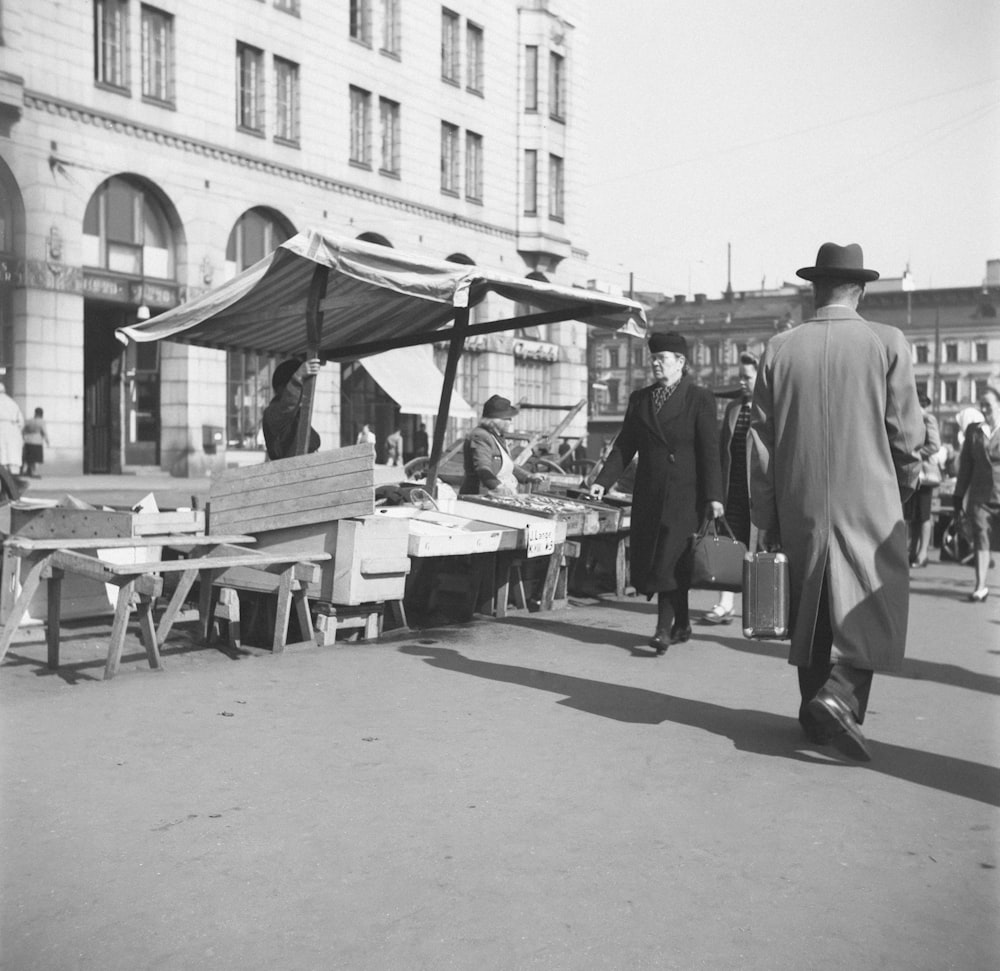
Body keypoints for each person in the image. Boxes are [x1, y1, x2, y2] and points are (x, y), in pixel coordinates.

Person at [749, 242, 924, 761]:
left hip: (799, 496)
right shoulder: (886, 341)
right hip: (870, 494)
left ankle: (815, 714)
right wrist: (906, 483)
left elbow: (760, 444)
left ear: (814, 288)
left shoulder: (779, 348)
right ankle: (840, 696)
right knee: (875, 601)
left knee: (811, 606)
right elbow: (906, 434)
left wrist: (767, 513)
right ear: (861, 289)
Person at [589, 332, 724, 654]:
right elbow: (625, 444)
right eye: (653, 358)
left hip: (685, 496)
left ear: (681, 362)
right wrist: (602, 480)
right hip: (648, 493)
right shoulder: (641, 399)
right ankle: (682, 623)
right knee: (665, 562)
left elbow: (710, 451)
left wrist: (714, 496)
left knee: (668, 561)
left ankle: (662, 629)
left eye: (662, 358)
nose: (655, 363)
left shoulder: (699, 398)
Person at [705, 352, 759, 624]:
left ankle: (760, 607)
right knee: (730, 545)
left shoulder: (770, 408)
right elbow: (720, 450)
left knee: (758, 549)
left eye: (747, 377)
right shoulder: (733, 408)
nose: (742, 382)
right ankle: (725, 604)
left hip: (759, 492)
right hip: (733, 489)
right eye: (740, 376)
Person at [952, 386, 1000, 602]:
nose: (983, 408)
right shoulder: (973, 430)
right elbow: (966, 468)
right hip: (980, 497)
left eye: (987, 404)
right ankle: (980, 586)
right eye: (981, 404)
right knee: (981, 539)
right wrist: (958, 495)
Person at [460, 395, 544, 496]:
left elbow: (508, 466)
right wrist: (498, 487)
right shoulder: (481, 436)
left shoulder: (497, 437)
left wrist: (529, 477)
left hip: (499, 494)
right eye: (508, 418)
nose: (510, 422)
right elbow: (482, 469)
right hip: (480, 495)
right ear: (497, 420)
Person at [905, 393, 942, 568]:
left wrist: (916, 454)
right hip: (913, 472)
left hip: (925, 474)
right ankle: (912, 551)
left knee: (924, 515)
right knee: (913, 515)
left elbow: (935, 445)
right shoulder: (911, 418)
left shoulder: (928, 419)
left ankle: (923, 553)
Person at [261, 358, 322, 460]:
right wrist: (298, 377)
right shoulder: (273, 413)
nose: (303, 391)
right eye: (302, 386)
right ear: (282, 388)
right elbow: (287, 406)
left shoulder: (295, 414)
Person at [0, 382, 24, 475]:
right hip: (13, 431)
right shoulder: (12, 403)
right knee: (13, 457)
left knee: (2, 458)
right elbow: (21, 422)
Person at [20, 407, 50, 478]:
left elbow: (23, 430)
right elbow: (44, 432)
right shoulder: (41, 422)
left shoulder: (29, 421)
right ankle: (34, 473)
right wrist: (47, 441)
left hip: (28, 441)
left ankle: (28, 471)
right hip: (37, 442)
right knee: (36, 459)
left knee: (29, 458)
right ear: (41, 414)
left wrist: (24, 437)